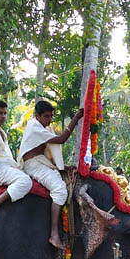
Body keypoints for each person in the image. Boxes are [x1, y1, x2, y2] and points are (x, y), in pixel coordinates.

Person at [19, 99, 83, 250]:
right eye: (46, 116)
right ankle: (54, 234)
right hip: (33, 165)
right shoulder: (34, 127)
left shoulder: (42, 127)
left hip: (40, 162)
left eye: (51, 116)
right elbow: (61, 139)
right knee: (60, 190)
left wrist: (62, 167)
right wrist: (76, 118)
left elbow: (45, 153)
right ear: (37, 116)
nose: (50, 119)